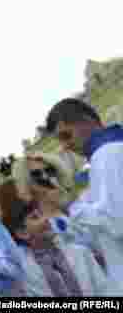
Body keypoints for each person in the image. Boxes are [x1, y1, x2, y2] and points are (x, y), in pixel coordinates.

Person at [45, 98, 123, 281]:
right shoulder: (108, 152)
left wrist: (71, 205)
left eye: (66, 135)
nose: (65, 146)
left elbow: (117, 223)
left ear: (88, 121)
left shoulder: (106, 154)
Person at [0, 179, 109, 296]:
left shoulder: (81, 253)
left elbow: (106, 291)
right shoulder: (24, 275)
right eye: (35, 217)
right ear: (22, 233)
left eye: (42, 212)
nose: (46, 219)